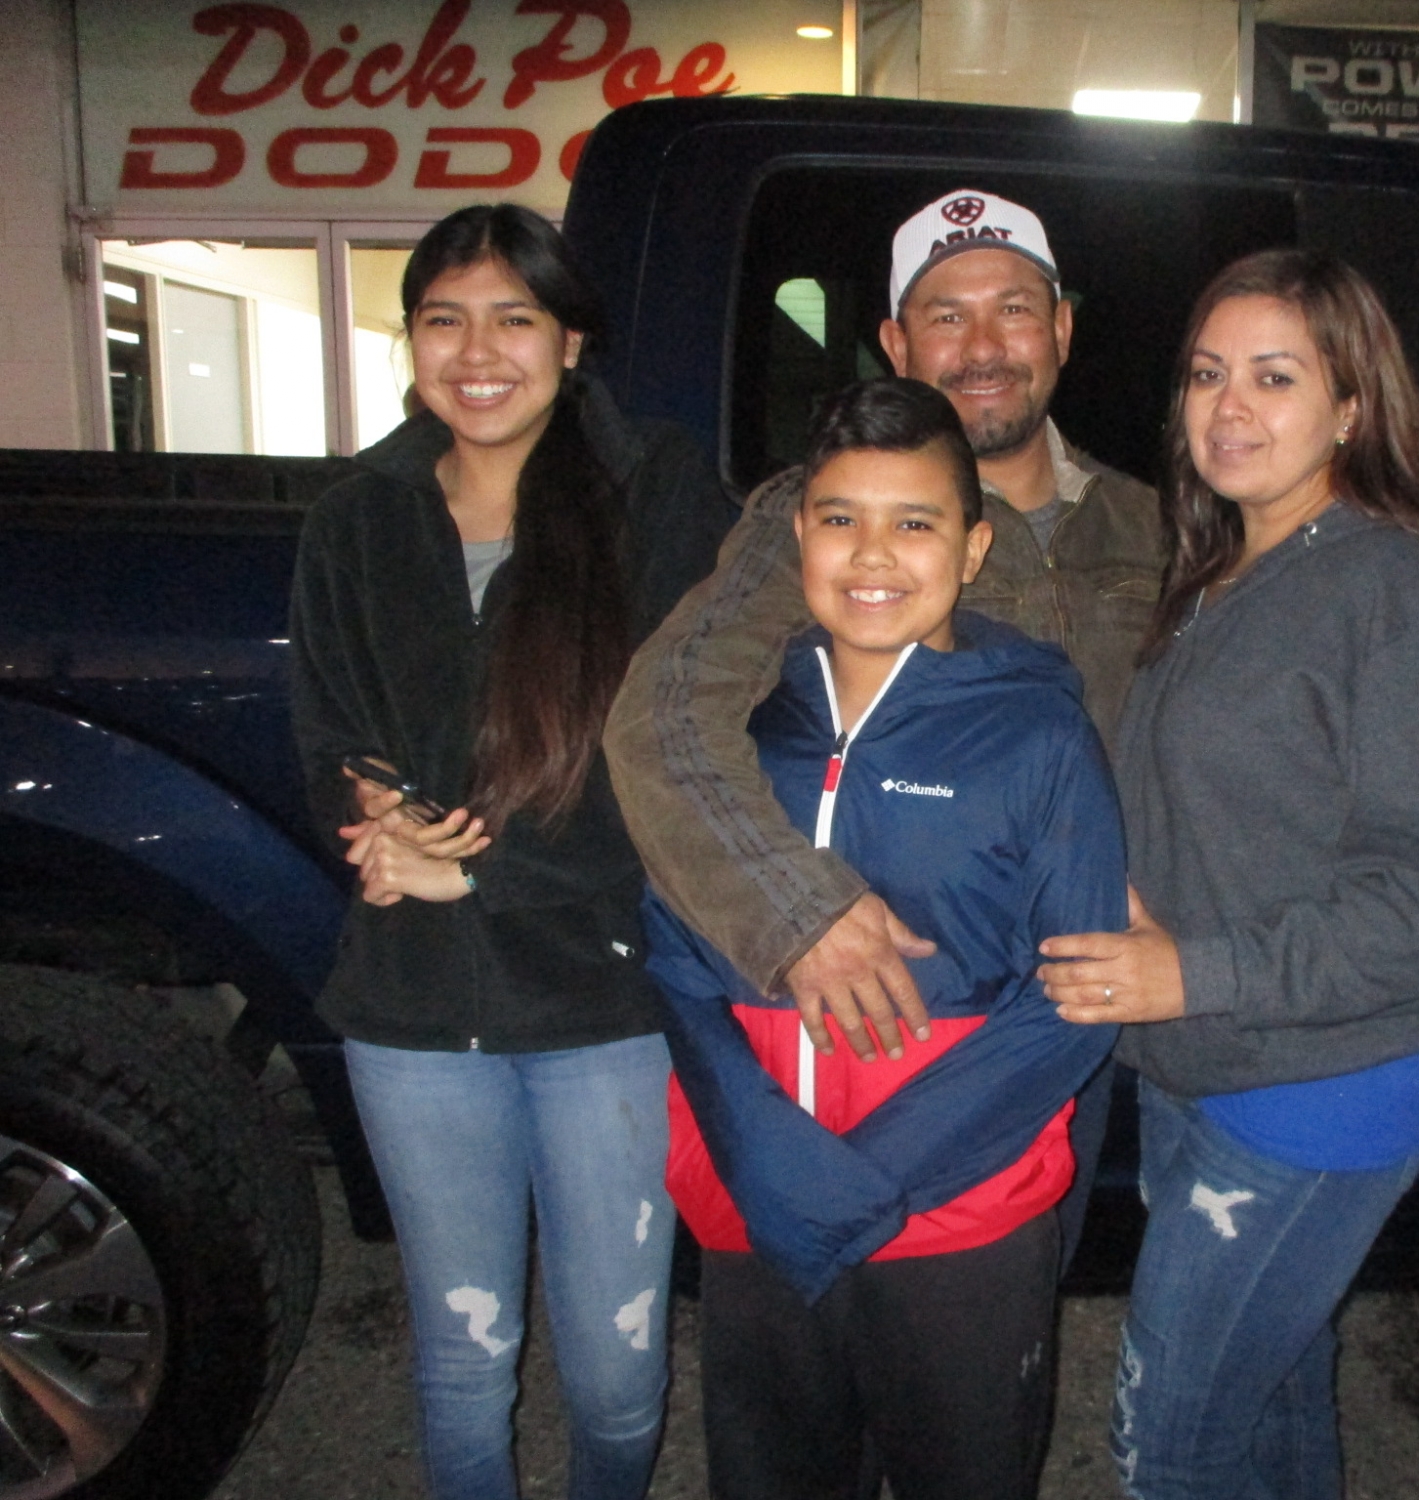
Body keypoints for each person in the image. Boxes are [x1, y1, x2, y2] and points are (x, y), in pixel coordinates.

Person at [603, 186, 1160, 1262]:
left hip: (1070, 1012)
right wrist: (793, 910)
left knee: (1011, 1291)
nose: (983, 346)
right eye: (945, 315)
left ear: (1061, 328)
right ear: (896, 345)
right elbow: (666, 717)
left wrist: (1179, 913)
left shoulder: (1151, 524)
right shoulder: (812, 519)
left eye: (1013, 308)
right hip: (883, 1010)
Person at [1036, 248, 1419, 1499]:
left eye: (1273, 376)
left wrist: (1192, 971)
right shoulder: (1222, 570)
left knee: (1167, 1444)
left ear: (1350, 405)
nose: (1228, 407)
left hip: (1320, 1083)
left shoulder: (1390, 586)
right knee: (1275, 1399)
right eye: (1205, 375)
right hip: (1205, 1066)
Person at [287, 203, 733, 1500]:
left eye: (512, 318)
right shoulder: (357, 514)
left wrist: (477, 868)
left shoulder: (657, 493)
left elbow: (681, 751)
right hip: (413, 1006)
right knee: (462, 1358)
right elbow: (329, 725)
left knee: (618, 1374)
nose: (476, 352)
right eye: (443, 320)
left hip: (602, 1003)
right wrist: (372, 812)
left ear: (570, 340)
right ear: (410, 340)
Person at [643, 377, 1126, 1500]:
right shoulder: (739, 729)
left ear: (972, 548)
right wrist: (762, 1154)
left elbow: (1073, 996)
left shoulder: (1039, 735)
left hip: (956, 1221)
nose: (872, 555)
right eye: (839, 518)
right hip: (757, 1209)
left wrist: (868, 1180)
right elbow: (670, 938)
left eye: (914, 522)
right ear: (798, 539)